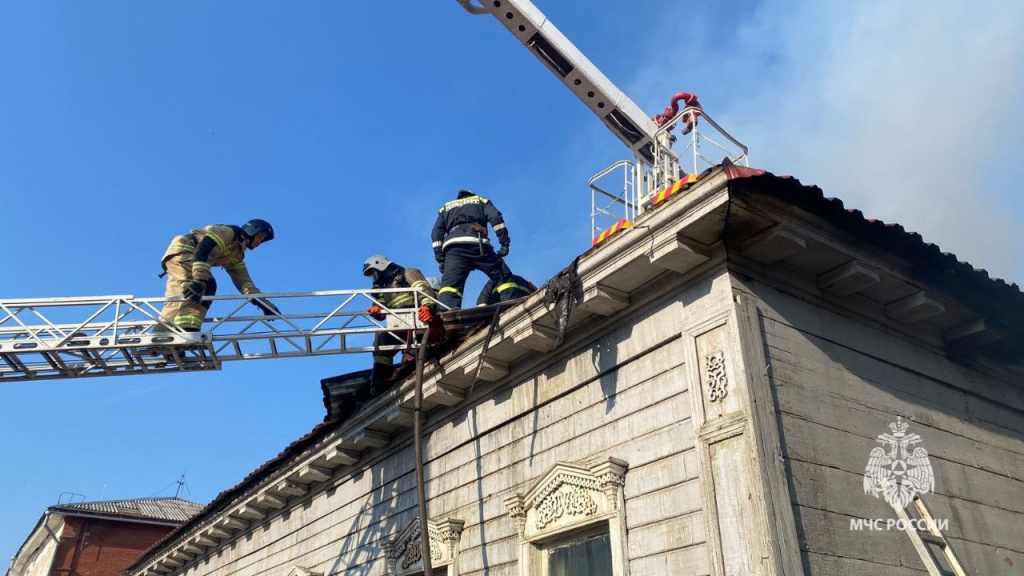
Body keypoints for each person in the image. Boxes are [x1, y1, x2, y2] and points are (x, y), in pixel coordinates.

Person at [158, 220, 278, 332]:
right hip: (185, 250)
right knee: (196, 287)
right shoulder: (229, 233)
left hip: (188, 256)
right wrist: (199, 280)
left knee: (192, 291)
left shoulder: (236, 254)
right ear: (252, 231)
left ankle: (180, 330)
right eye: (260, 237)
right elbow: (203, 249)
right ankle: (180, 330)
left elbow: (245, 284)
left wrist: (264, 304)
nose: (259, 242)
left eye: (262, 241)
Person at [362, 255, 437, 392]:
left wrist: (427, 307)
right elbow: (381, 308)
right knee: (381, 341)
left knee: (415, 348)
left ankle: (415, 364)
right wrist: (377, 311)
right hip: (398, 324)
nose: (374, 277)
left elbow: (424, 291)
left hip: (418, 319)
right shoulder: (382, 290)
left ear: (381, 266)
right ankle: (380, 381)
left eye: (374, 273)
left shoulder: (408, 273)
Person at [431, 189, 514, 309]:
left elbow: (436, 233)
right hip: (477, 244)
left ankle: (446, 313)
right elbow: (496, 218)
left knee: (450, 285)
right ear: (472, 195)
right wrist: (504, 243)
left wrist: (440, 258)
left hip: (454, 249)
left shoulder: (446, 208)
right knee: (503, 276)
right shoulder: (480, 201)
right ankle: (511, 304)